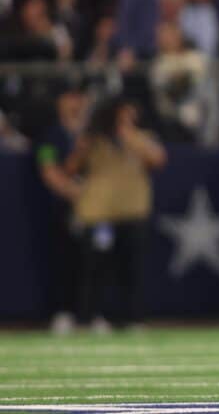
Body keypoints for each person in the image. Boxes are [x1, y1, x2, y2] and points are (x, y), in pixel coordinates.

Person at [66, 98, 166, 331]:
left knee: (132, 270)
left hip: (133, 212)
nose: (127, 119)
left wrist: (128, 136)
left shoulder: (141, 137)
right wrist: (84, 145)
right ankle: (89, 317)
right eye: (122, 115)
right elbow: (70, 167)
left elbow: (159, 159)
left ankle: (132, 318)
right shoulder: (93, 139)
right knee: (95, 267)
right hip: (101, 215)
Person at [36, 83, 89, 334]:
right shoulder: (51, 135)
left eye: (80, 97)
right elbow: (49, 170)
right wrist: (75, 193)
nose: (76, 103)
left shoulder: (92, 135)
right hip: (62, 209)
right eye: (71, 97)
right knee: (63, 260)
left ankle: (91, 312)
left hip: (93, 211)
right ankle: (63, 311)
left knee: (94, 262)